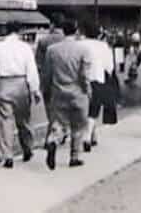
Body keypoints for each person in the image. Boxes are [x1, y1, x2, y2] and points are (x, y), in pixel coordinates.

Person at [0, 21, 41, 169]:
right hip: (22, 83)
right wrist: (35, 89)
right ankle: (27, 148)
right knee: (24, 120)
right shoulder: (25, 48)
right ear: (20, 32)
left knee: (6, 120)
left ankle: (7, 154)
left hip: (4, 84)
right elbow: (31, 70)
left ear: (5, 30)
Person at [42, 18, 91, 170]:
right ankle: (74, 157)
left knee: (58, 122)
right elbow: (84, 75)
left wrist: (46, 90)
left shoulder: (52, 50)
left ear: (63, 31)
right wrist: (87, 90)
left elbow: (47, 74)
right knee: (78, 126)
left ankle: (53, 140)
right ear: (76, 31)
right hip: (77, 92)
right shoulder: (83, 49)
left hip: (59, 92)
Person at [77, 20, 116, 152]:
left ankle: (92, 136)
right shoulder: (103, 46)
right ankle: (87, 137)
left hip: (80, 81)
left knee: (84, 109)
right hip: (97, 79)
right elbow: (109, 67)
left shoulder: (79, 45)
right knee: (93, 110)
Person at [34, 13, 67, 146]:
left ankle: (52, 136)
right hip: (66, 80)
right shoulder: (69, 41)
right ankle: (60, 131)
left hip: (49, 80)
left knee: (50, 110)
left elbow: (38, 64)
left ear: (52, 25)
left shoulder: (44, 41)